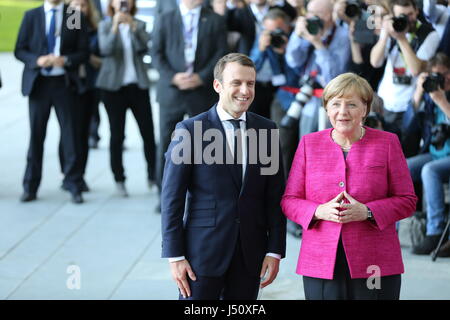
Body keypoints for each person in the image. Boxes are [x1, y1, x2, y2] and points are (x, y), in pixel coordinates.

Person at [161, 53, 287, 300]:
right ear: (217, 85)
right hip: (202, 254)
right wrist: (175, 256)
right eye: (236, 83)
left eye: (250, 84)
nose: (245, 90)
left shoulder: (267, 130)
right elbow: (171, 198)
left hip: (251, 254)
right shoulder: (189, 131)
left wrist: (274, 250)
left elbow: (275, 196)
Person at [281, 72, 417, 300]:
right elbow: (289, 200)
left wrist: (368, 211)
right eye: (335, 104)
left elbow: (407, 200)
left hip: (375, 261)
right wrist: (317, 211)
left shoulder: (387, 143)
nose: (342, 112)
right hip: (321, 261)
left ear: (365, 109)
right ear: (326, 108)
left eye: (352, 104)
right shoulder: (309, 144)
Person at [152, 0, 228, 212]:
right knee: (167, 145)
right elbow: (156, 54)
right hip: (172, 91)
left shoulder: (214, 19)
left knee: (206, 145)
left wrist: (202, 77)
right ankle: (164, 195)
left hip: (201, 91)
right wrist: (173, 77)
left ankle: (206, 195)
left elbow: (221, 54)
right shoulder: (165, 17)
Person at [14, 0, 89, 204]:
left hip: (64, 84)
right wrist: (36, 60)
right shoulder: (32, 16)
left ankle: (74, 183)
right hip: (39, 85)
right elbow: (20, 49)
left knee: (70, 136)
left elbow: (83, 51)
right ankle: (30, 185)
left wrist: (66, 60)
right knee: (36, 137)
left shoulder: (72, 15)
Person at [96, 0, 157, 197]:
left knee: (147, 133)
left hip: (137, 86)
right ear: (112, 4)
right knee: (117, 135)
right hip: (113, 89)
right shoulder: (104, 25)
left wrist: (132, 27)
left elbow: (146, 47)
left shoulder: (139, 24)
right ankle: (119, 178)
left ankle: (153, 176)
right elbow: (105, 49)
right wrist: (115, 26)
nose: (123, 3)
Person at [370, 0, 441, 157]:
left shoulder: (429, 34)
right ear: (393, 15)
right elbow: (375, 62)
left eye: (410, 14)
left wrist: (401, 38)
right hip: (384, 104)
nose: (407, 19)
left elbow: (416, 69)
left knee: (403, 158)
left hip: (409, 107)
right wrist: (385, 36)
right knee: (380, 156)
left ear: (416, 11)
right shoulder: (391, 28)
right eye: (402, 15)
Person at [405, 52, 450, 257]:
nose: (443, 80)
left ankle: (435, 232)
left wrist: (442, 101)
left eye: (446, 74)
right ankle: (391, 228)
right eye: (437, 76)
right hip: (435, 153)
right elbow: (408, 128)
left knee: (429, 171)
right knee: (402, 167)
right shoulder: (429, 96)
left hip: (443, 159)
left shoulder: (439, 98)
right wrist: (417, 94)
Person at [285, 0, 351, 138]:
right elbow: (293, 61)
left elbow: (334, 77)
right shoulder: (306, 28)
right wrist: (297, 36)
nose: (310, 17)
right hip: (307, 97)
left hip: (331, 101)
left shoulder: (343, 36)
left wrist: (318, 44)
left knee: (325, 148)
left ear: (328, 15)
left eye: (315, 13)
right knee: (305, 144)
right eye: (308, 12)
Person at [60, 0, 102, 193]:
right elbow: (70, 51)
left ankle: (78, 174)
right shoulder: (72, 20)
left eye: (83, 6)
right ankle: (70, 174)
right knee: (70, 132)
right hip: (72, 85)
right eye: (75, 5)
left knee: (84, 132)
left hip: (90, 85)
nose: (79, 10)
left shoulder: (93, 26)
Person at [249, 8, 292, 119]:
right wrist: (261, 49)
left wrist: (285, 53)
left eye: (277, 31)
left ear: (287, 27)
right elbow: (251, 67)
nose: (273, 35)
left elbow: (294, 72)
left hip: (281, 91)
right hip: (258, 88)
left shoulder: (293, 39)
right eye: (268, 31)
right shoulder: (263, 37)